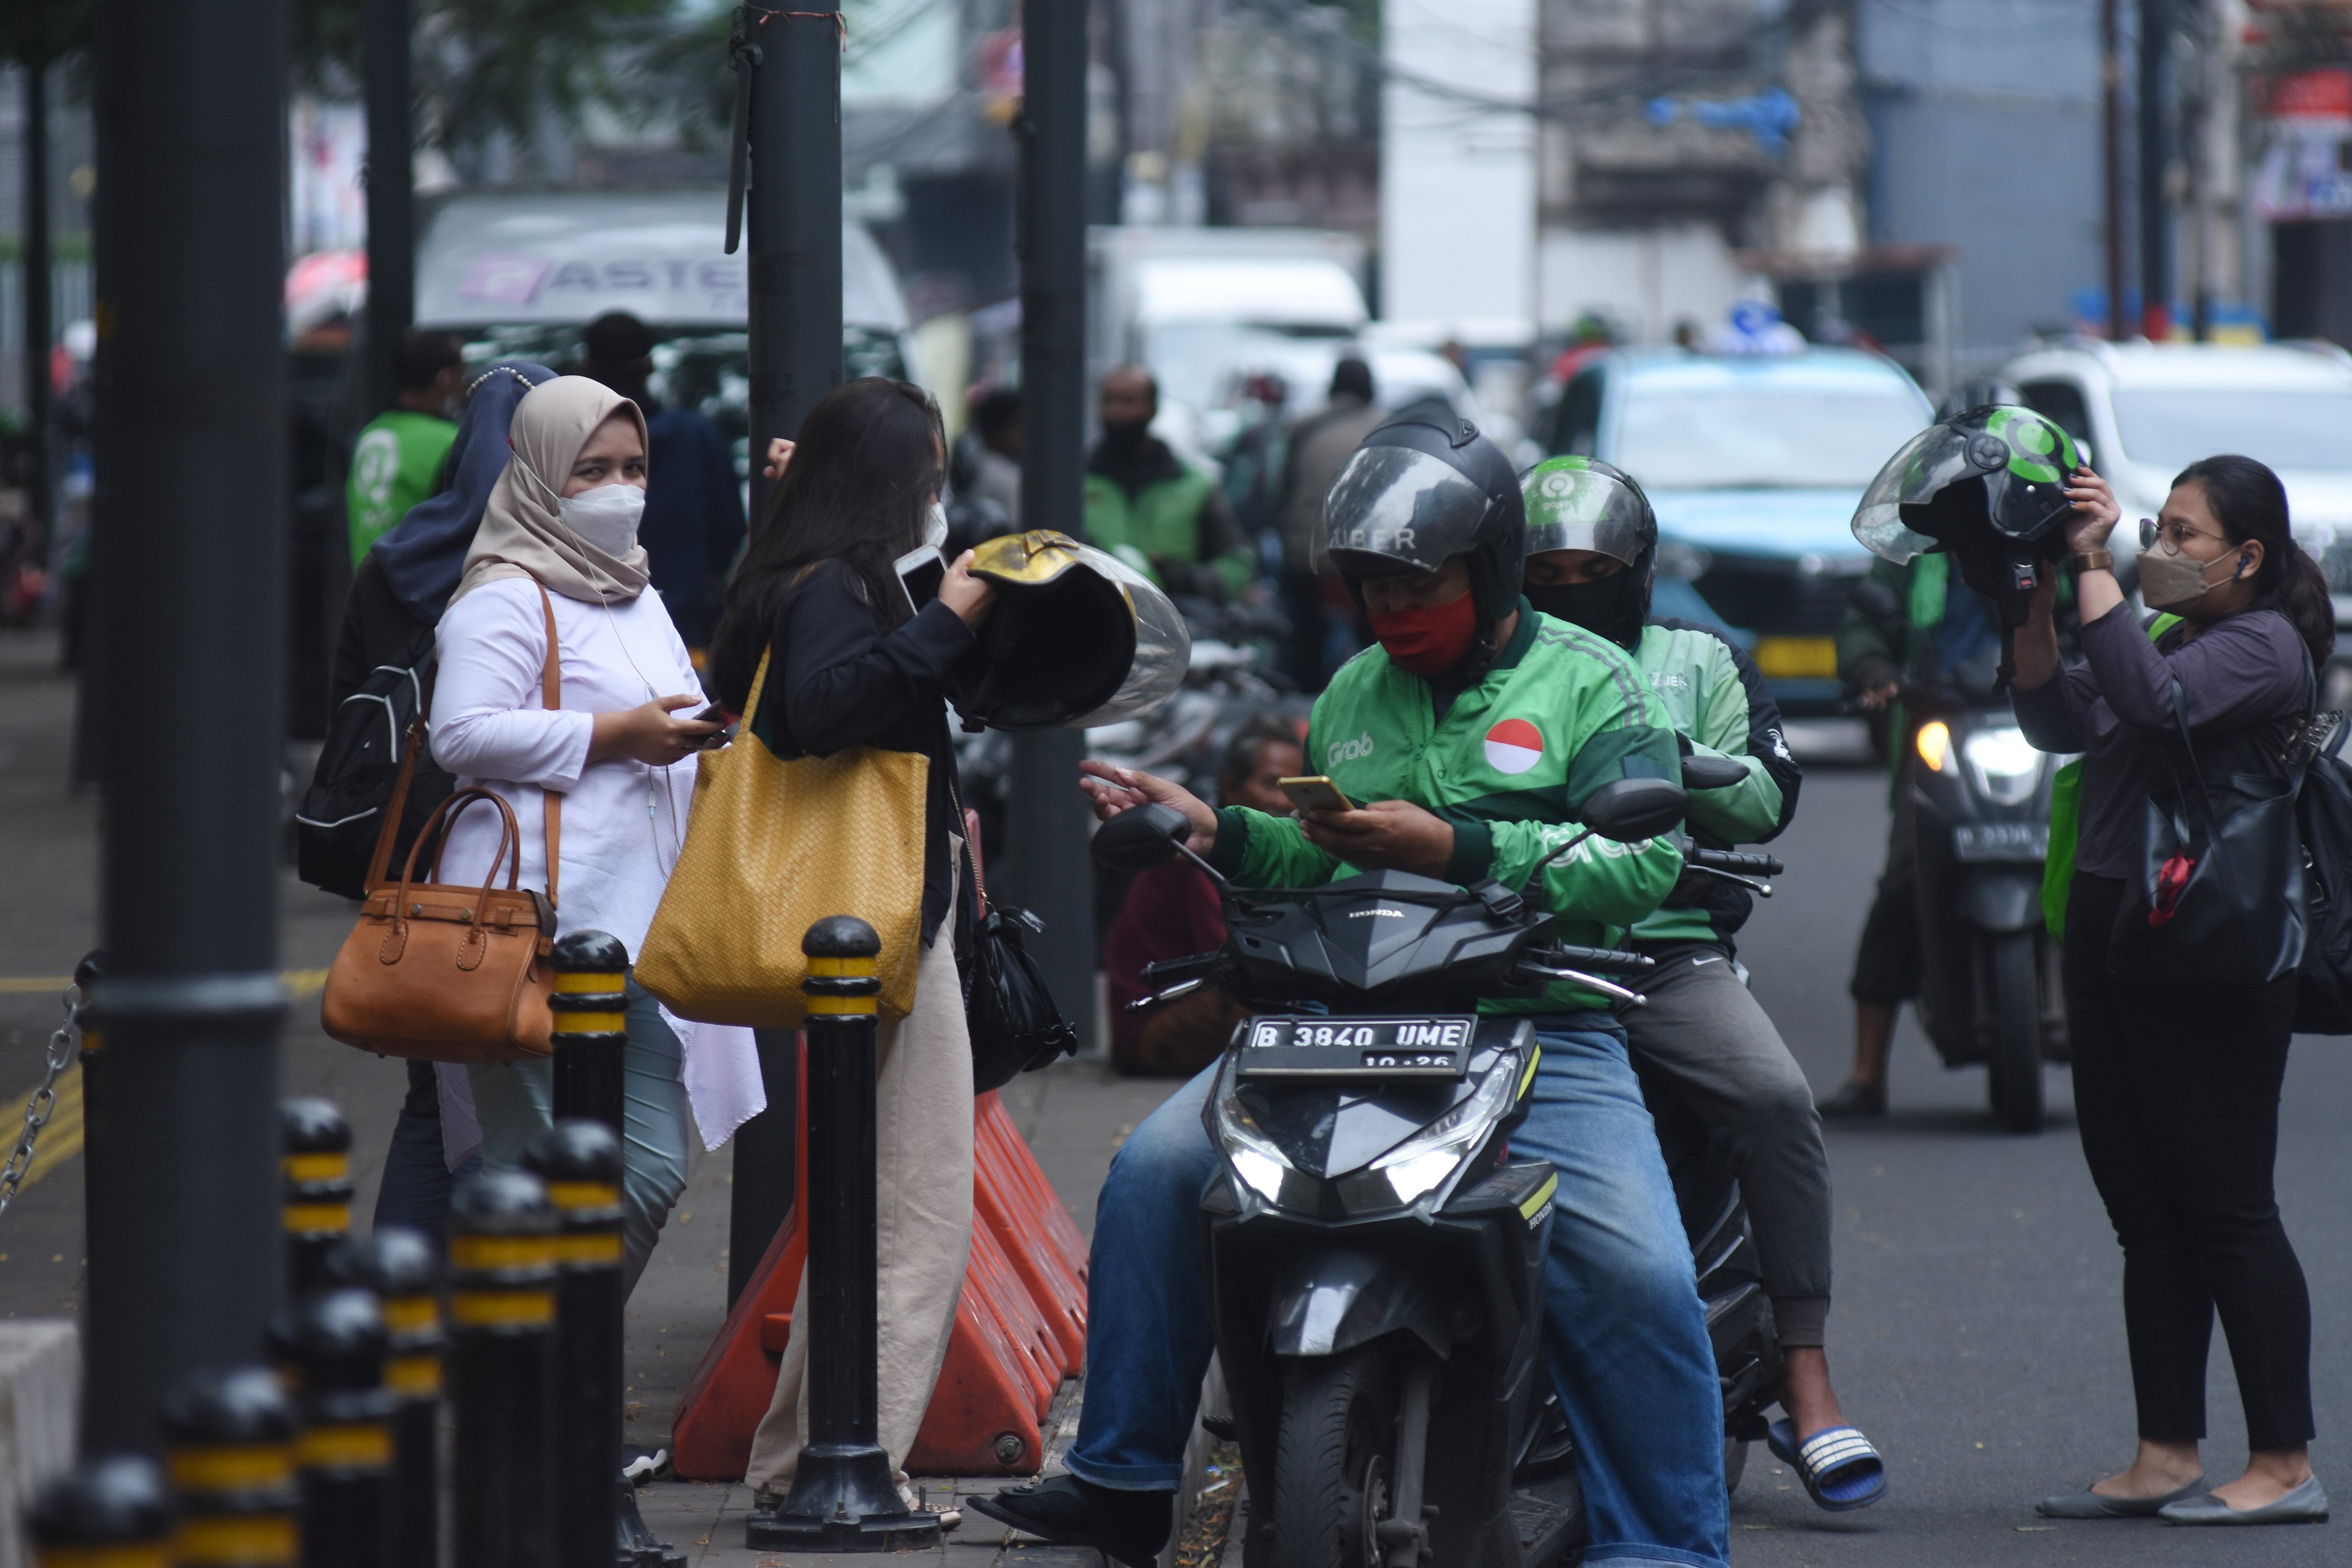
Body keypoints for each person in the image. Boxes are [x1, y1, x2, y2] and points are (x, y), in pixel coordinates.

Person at [972, 410, 1730, 1568]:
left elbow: (1643, 861)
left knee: (1639, 1271)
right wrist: (1209, 827)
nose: (1389, 614)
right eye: (1369, 590)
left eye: (1413, 587)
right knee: (1153, 1170)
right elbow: (1318, 862)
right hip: (1347, 1024)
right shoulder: (1350, 696)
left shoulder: (1594, 686)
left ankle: (1669, 1546)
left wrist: (1460, 848)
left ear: (1485, 569)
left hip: (1538, 1027)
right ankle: (1122, 1476)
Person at [1518, 454, 1885, 1512]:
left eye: (1591, 567)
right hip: (1508, 944)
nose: (1569, 585)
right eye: (1545, 567)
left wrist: (1669, 761)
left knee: (1773, 1100)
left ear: (1635, 571)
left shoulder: (1699, 659)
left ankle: (1806, 1370)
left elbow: (1768, 795)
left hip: (1662, 946)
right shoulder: (1497, 664)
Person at [700, 377, 998, 1519]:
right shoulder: (831, 586)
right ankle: (853, 1466)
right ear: (887, 483)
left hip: (866, 922)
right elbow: (819, 706)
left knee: (870, 1209)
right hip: (870, 923)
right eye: (925, 471)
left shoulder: (802, 575)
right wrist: (945, 619)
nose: (937, 491)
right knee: (918, 1208)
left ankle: (804, 1460)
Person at [2016, 454, 2331, 1526]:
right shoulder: (2168, 634)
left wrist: (2094, 563)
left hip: (2216, 952)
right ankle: (2165, 1449)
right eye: (2157, 527)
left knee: (2227, 1204)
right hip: (2117, 930)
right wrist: (2026, 601)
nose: (2161, 548)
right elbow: (2062, 721)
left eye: (2184, 535)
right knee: (2145, 1211)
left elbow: (2152, 710)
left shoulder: (2263, 647)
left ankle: (2285, 1460)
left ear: (2249, 557)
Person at [429, 375, 758, 1301]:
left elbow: (662, 703)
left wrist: (701, 725)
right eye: (593, 469)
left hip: (639, 926)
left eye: (636, 466)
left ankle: (521, 1388)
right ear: (537, 475)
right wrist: (617, 736)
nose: (622, 487)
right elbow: (460, 734)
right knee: (558, 1174)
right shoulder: (504, 595)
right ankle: (520, 1391)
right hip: (531, 923)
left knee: (611, 1172)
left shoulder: (632, 588)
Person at [329, 359, 553, 1236]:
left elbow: (348, 695)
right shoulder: (531, 567)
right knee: (497, 1084)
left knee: (440, 1089)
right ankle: (470, 1302)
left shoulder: (398, 557)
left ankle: (404, 1302)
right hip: (500, 848)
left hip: (407, 851)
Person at [1820, 547, 2008, 1116]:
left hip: (2033, 724)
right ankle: (1867, 1074)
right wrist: (1874, 668)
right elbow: (1861, 628)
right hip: (1936, 727)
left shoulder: (2050, 541)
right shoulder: (1913, 553)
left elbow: (2092, 618)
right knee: (1907, 879)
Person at [1102, 716, 1302, 1076]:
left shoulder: (1280, 849)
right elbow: (1236, 954)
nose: (1285, 801)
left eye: (1293, 788)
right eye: (1271, 784)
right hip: (1151, 1028)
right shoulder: (1198, 853)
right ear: (1229, 783)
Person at [579, 311, 747, 650]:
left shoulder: (561, 443)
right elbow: (729, 534)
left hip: (586, 631)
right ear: (649, 367)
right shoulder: (697, 437)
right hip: (684, 632)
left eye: (634, 468)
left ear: (586, 369)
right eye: (599, 470)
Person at [1083, 366, 1253, 602]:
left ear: (1153, 409)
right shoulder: (1077, 481)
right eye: (1109, 401)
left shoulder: (1195, 484)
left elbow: (1238, 565)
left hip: (1176, 619)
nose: (1117, 411)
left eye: (1128, 401)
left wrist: (1183, 579)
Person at [1276, 357, 1383, 690]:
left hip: (1306, 557)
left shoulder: (1301, 426)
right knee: (1376, 636)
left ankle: (1303, 701)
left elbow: (1283, 491)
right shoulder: (1387, 427)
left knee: (1305, 637)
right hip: (1367, 555)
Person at [347, 329, 466, 565]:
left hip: (365, 587)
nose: (466, 383)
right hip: (414, 589)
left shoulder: (371, 434)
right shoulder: (450, 441)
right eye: (463, 373)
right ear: (446, 379)